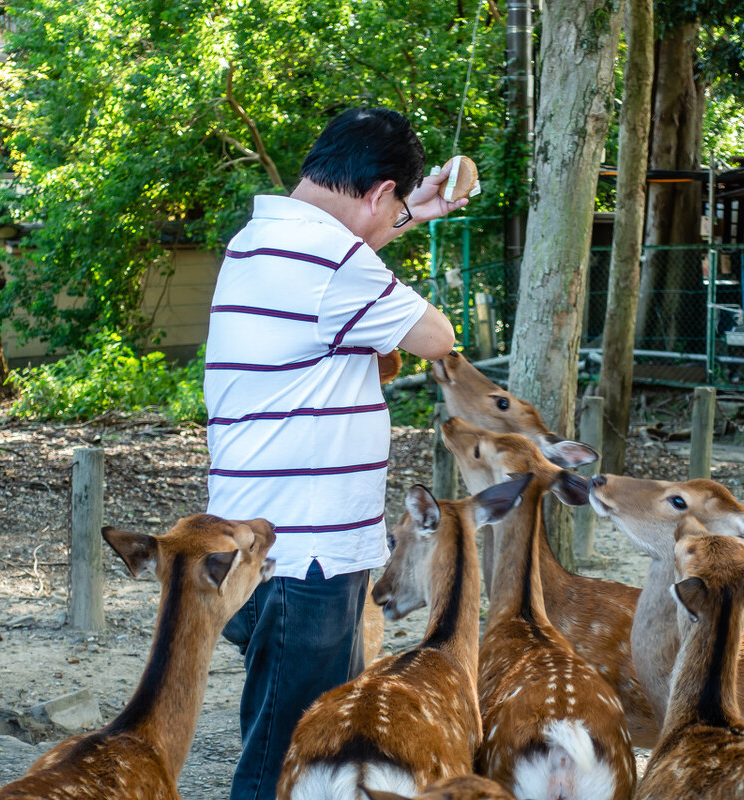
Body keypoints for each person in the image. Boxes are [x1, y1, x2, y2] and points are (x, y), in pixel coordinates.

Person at [204, 107, 461, 800]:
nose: (395, 223)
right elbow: (437, 336)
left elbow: (354, 296)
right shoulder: (331, 258)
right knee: (288, 762)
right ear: (378, 191)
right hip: (305, 554)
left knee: (310, 751)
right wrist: (416, 218)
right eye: (394, 208)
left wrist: (413, 213)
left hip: (260, 542)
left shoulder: (259, 239)